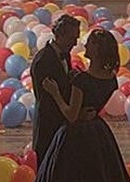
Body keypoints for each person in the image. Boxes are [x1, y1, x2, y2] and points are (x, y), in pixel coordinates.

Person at [36, 28, 130, 182]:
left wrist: (55, 93)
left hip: (75, 136)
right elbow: (94, 106)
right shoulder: (111, 79)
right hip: (98, 131)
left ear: (99, 50)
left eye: (90, 43)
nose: (85, 45)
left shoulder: (82, 80)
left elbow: (71, 116)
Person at [30, 14, 81, 164]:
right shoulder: (43, 61)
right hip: (49, 125)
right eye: (72, 38)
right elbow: (45, 100)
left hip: (63, 124)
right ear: (60, 35)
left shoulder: (66, 55)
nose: (75, 42)